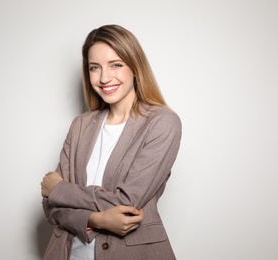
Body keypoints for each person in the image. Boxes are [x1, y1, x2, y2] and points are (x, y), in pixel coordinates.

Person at [41, 24, 182, 260]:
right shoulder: (80, 125)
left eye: (116, 65)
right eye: (94, 68)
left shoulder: (162, 123)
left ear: (135, 67)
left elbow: (126, 202)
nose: (105, 78)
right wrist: (96, 219)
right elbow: (51, 207)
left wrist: (58, 189)